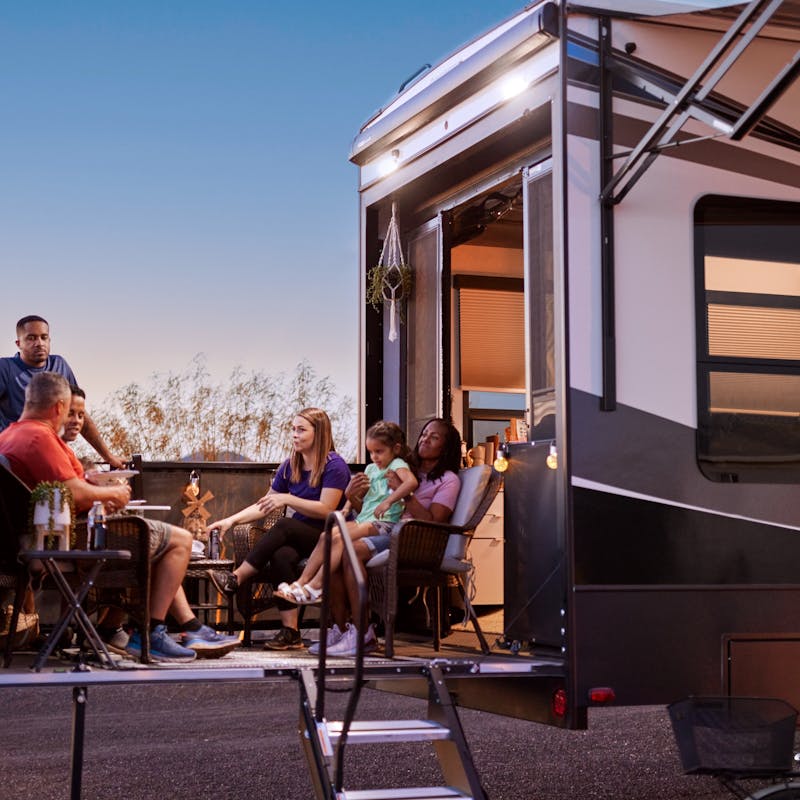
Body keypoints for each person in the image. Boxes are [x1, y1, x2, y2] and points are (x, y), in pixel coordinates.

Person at [0, 372, 239, 662]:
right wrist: (113, 495)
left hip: (45, 534)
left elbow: (61, 487)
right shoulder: (40, 436)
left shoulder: (9, 435)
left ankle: (130, 628)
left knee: (152, 545)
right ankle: (150, 633)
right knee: (180, 541)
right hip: (70, 539)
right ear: (59, 407)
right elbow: (73, 493)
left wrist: (94, 486)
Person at [205, 407, 351, 650]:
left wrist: (288, 499)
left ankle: (236, 578)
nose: (294, 434)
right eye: (293, 429)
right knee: (280, 555)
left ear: (320, 433)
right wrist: (230, 521)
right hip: (300, 535)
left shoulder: (335, 465)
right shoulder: (290, 465)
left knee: (284, 524)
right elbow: (265, 505)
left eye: (301, 430)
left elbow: (327, 510)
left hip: (331, 538)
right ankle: (291, 633)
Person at [319, 417, 463, 657]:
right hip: (385, 528)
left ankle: (363, 632)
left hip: (413, 540)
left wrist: (403, 494)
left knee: (350, 550)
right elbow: (372, 509)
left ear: (446, 448)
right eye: (425, 433)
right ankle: (344, 630)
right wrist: (352, 496)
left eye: (434, 437)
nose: (425, 439)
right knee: (336, 549)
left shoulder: (448, 480)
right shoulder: (403, 468)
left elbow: (435, 522)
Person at [274, 420, 417, 607]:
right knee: (327, 536)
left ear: (396, 448)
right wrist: (347, 508)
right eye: (371, 452)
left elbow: (411, 483)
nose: (374, 457)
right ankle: (301, 583)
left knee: (340, 539)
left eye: (379, 451)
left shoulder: (398, 464)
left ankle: (316, 586)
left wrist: (388, 501)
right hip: (365, 520)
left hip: (385, 522)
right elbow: (358, 493)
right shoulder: (371, 468)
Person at [0, 315, 125, 468]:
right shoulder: (5, 368)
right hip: (15, 456)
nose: (39, 343)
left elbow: (79, 411)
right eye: (31, 338)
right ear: (19, 344)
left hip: (50, 451)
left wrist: (108, 456)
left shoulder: (60, 365)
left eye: (43, 337)